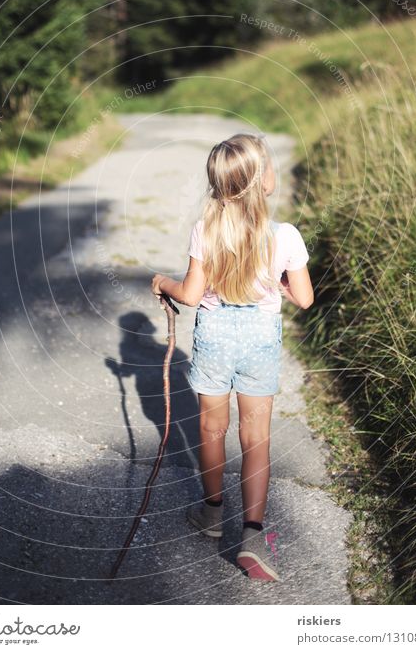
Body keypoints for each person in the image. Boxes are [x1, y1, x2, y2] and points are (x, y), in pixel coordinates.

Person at [151, 133, 314, 581]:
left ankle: (211, 514)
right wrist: (278, 285)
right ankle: (253, 535)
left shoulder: (206, 230)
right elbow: (303, 298)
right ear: (262, 181)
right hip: (260, 339)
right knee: (255, 437)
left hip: (215, 340)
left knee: (211, 427)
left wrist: (162, 282)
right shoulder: (285, 236)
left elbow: (190, 294)